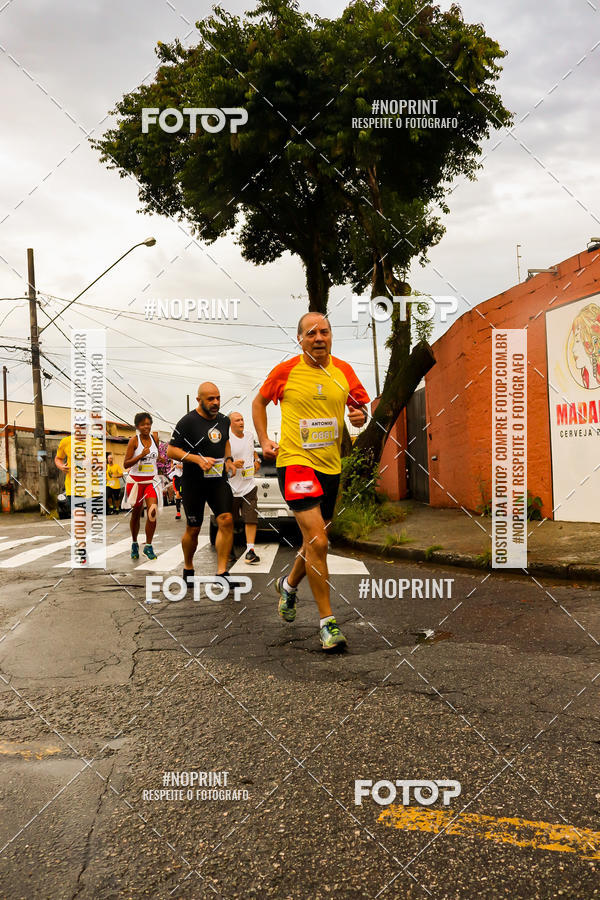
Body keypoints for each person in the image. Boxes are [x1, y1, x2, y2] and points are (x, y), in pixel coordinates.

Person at [252, 313, 369, 651]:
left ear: (332, 337)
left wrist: (359, 415)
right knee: (318, 543)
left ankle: (288, 587)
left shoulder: (343, 371)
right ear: (300, 340)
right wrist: (264, 438)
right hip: (296, 464)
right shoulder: (285, 371)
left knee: (313, 541)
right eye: (311, 333)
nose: (319, 337)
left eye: (325, 332)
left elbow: (360, 408)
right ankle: (328, 624)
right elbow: (259, 402)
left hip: (330, 468)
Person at [167, 383, 235, 590]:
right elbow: (171, 451)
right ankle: (188, 567)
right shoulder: (187, 422)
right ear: (199, 400)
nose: (215, 403)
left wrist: (229, 459)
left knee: (226, 519)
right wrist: (197, 459)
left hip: (217, 480)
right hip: (193, 481)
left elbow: (225, 441)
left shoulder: (224, 420)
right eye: (210, 399)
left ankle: (222, 572)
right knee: (193, 528)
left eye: (218, 398)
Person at [123, 413, 162, 560]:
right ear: (137, 427)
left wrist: (161, 458)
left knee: (152, 512)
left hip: (151, 481)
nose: (146, 426)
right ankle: (134, 542)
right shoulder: (134, 441)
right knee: (136, 513)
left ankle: (148, 546)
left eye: (148, 423)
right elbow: (126, 464)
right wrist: (140, 455)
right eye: (143, 424)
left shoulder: (154, 438)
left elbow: (155, 457)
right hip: (135, 483)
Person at [228, 411, 261, 565]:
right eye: (237, 420)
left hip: (249, 485)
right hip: (231, 487)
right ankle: (228, 549)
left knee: (251, 518)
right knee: (229, 521)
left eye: (242, 419)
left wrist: (257, 460)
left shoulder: (249, 435)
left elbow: (252, 450)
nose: (241, 422)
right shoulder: (226, 439)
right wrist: (232, 465)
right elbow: (220, 459)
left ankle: (250, 550)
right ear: (230, 424)